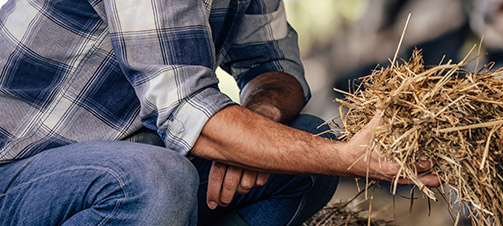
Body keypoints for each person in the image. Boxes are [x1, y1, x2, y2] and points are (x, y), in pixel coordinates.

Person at [0, 0, 439, 225]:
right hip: (17, 171)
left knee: (304, 148)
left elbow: (277, 66)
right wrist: (349, 159)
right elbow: (188, 111)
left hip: (121, 156)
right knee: (155, 179)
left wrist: (261, 120)